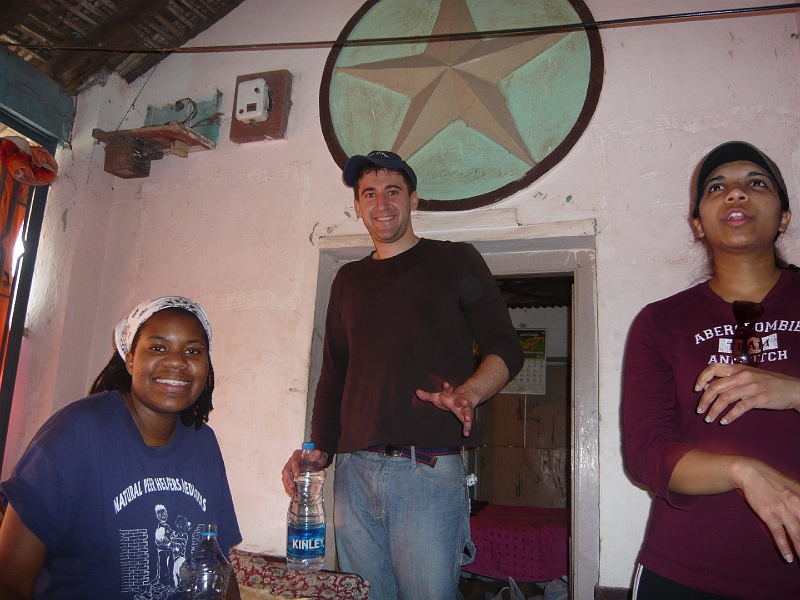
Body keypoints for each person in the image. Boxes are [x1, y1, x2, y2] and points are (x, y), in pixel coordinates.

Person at [282, 150, 523, 600]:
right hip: (353, 474)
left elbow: (506, 347)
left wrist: (469, 393)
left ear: (414, 199)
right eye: (368, 194)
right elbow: (333, 376)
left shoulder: (456, 262)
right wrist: (319, 453)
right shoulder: (347, 280)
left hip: (426, 471)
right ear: (357, 205)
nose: (381, 204)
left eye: (392, 191)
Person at [622, 141, 800, 599]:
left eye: (754, 183)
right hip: (685, 571)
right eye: (718, 187)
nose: (736, 194)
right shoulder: (659, 322)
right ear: (698, 224)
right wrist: (744, 471)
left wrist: (794, 392)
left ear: (783, 216)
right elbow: (645, 453)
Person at [0, 296, 242, 600]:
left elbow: (219, 567)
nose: (177, 361)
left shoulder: (203, 443)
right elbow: (9, 581)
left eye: (193, 350)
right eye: (158, 347)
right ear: (129, 358)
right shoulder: (76, 432)